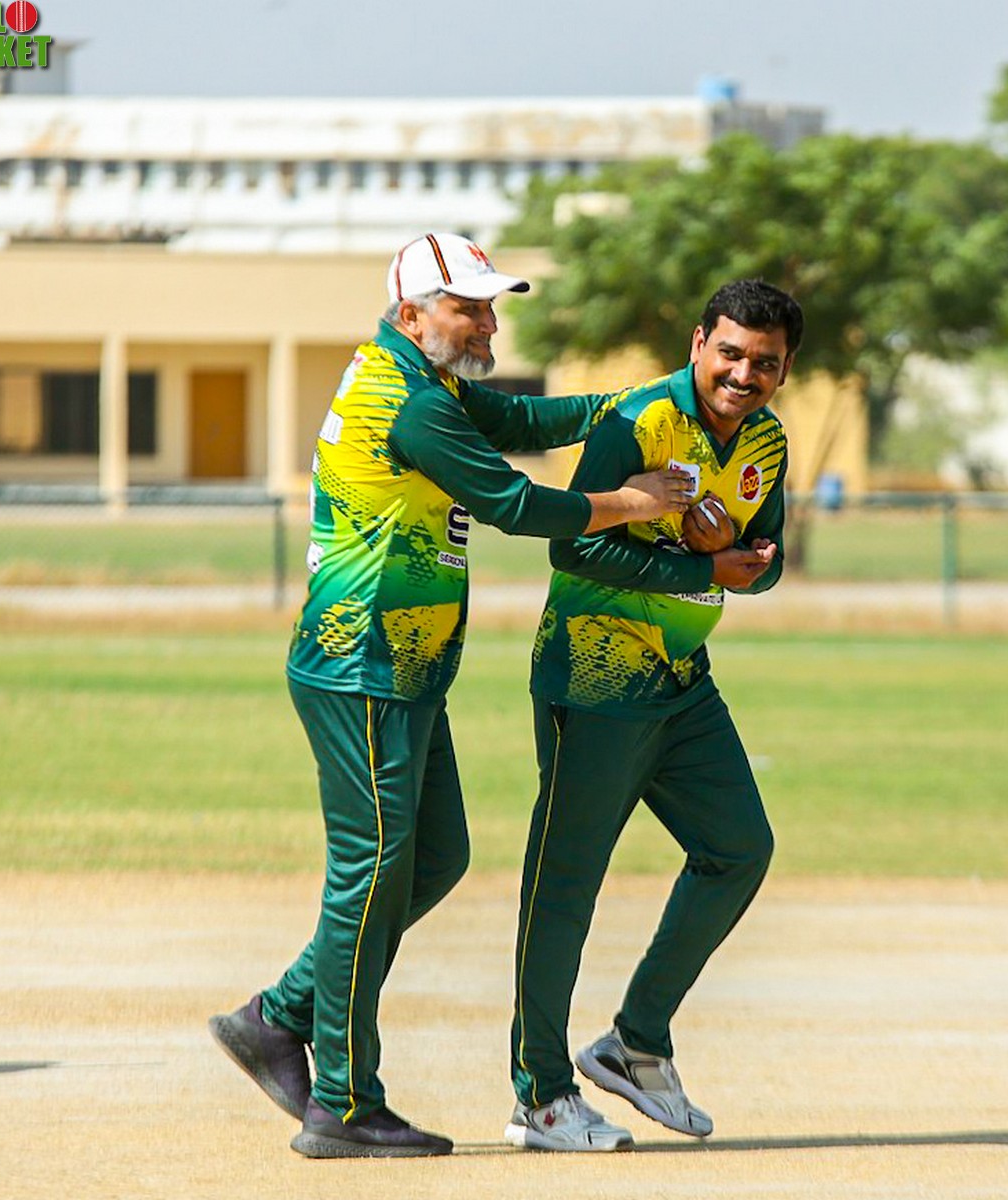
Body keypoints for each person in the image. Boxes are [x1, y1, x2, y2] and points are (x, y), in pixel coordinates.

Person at [208, 232, 693, 1159]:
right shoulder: (413, 404)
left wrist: (645, 399)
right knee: (371, 874)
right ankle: (343, 1103)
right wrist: (637, 502)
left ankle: (277, 1017)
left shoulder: (427, 382)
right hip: (363, 666)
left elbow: (526, 421)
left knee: (433, 858)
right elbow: (518, 506)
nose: (488, 324)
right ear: (412, 313)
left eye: (489, 307)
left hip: (402, 670)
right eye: (468, 307)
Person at [505, 279, 801, 1152]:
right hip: (594, 680)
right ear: (699, 341)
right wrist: (700, 569)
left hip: (681, 683)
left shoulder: (768, 440)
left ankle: (635, 1042)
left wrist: (744, 561)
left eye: (765, 362)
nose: (744, 374)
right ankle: (540, 1096)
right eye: (730, 353)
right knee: (565, 885)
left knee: (739, 850)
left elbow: (766, 559)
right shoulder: (638, 423)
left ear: (785, 369)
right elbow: (572, 544)